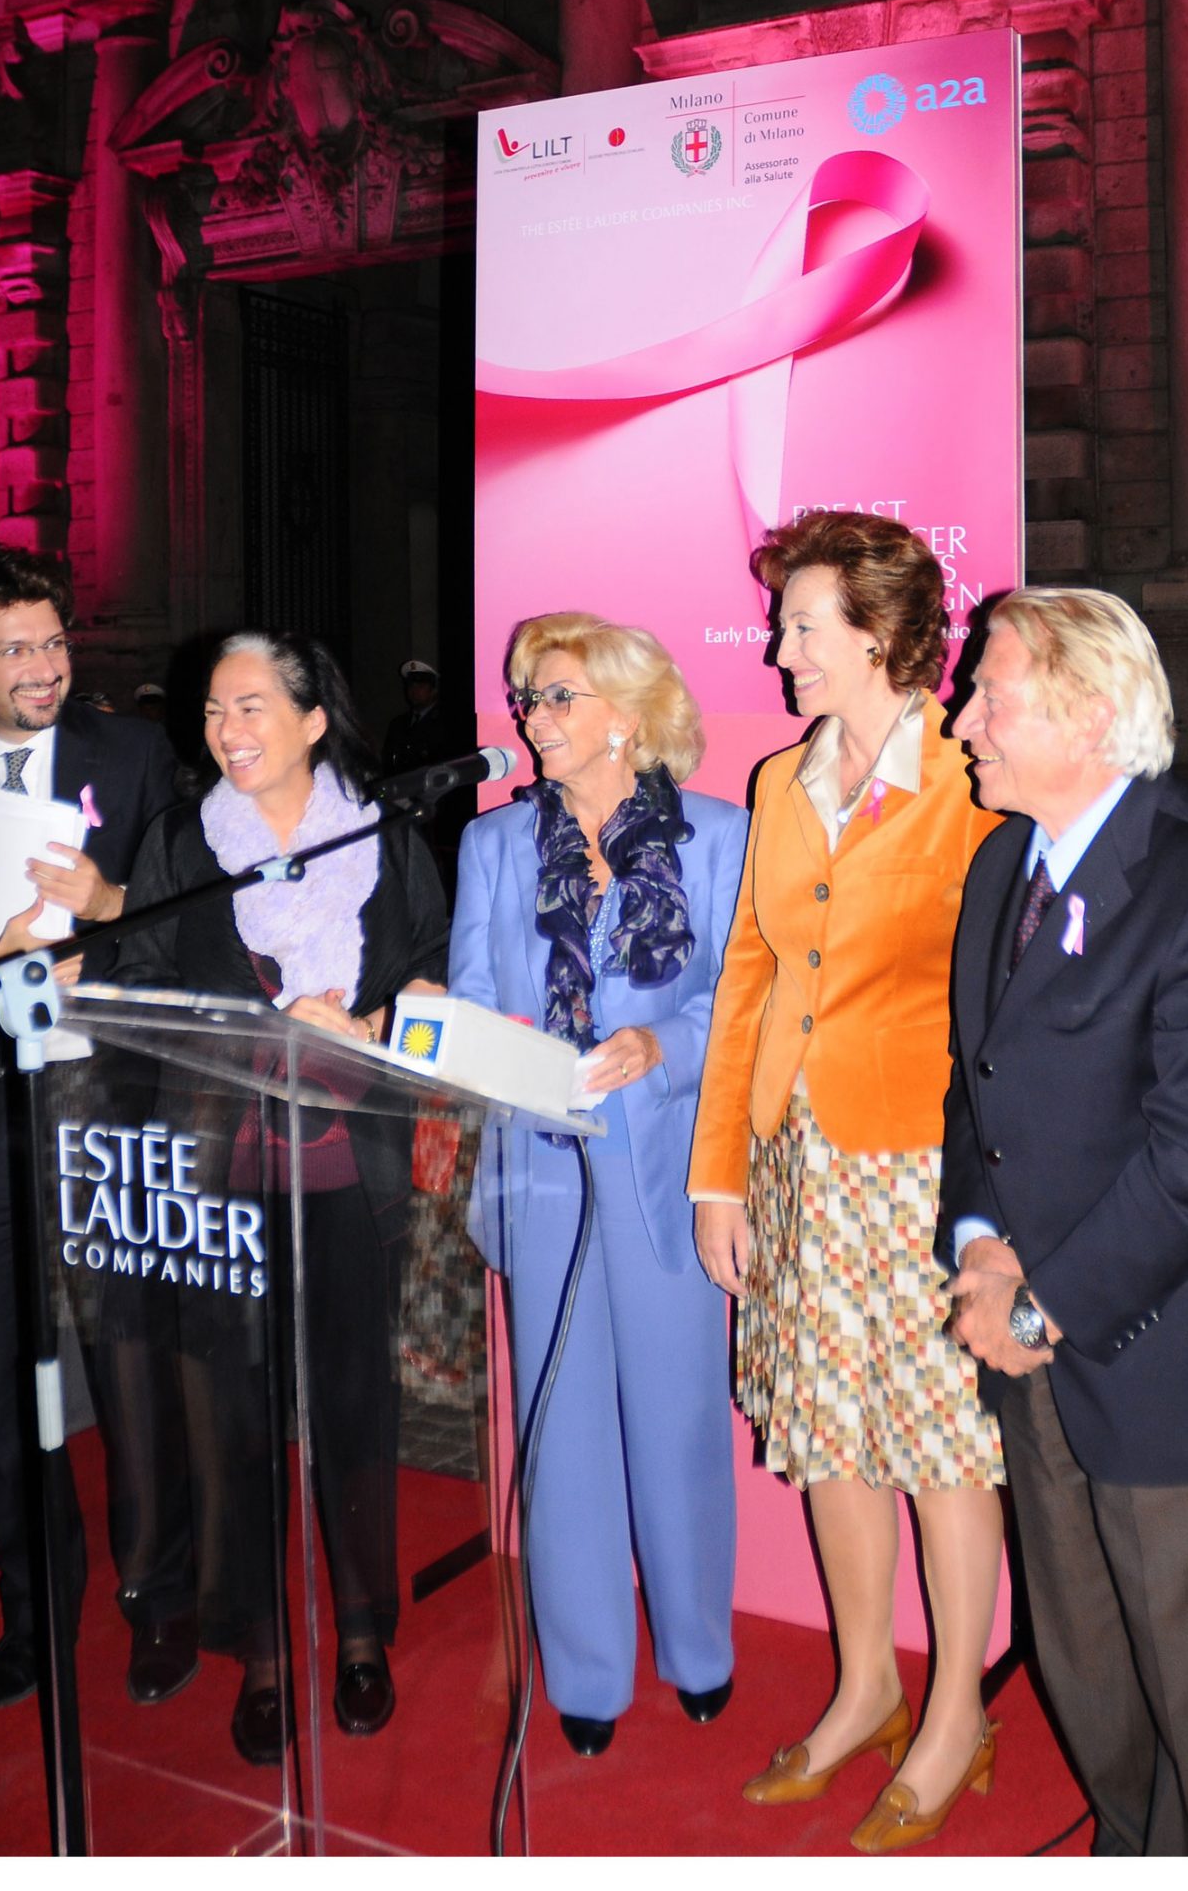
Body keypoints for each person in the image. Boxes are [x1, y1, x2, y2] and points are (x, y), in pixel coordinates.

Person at [939, 587, 1188, 1857]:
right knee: (1082, 1656)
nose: (961, 721)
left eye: (990, 695)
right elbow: (976, 1086)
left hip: (1165, 1350)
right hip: (1030, 1339)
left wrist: (1036, 1308)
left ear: (1091, 717)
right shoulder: (1001, 863)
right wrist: (978, 1241)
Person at [689, 512, 1003, 1855]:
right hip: (796, 1160)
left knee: (939, 1443)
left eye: (803, 626)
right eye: (783, 626)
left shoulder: (971, 775)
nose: (780, 651)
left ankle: (955, 1712)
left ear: (877, 633)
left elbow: (1007, 991)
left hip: (923, 1161)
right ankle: (867, 1682)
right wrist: (719, 1175)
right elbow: (748, 979)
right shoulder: (780, 781)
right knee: (825, 1426)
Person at [112, 631, 449, 1764]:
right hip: (222, 1168)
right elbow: (141, 987)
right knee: (234, 1417)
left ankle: (360, 1631)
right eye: (215, 710)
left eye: (251, 706)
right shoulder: (181, 842)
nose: (227, 730)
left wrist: (376, 1020)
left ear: (312, 720)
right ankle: (258, 1647)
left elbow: (431, 961)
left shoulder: (383, 831)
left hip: (349, 1165)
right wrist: (250, 1028)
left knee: (353, 1403)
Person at [450, 613, 745, 1757]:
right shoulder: (492, 842)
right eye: (527, 696)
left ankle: (698, 1648)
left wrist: (662, 1042)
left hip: (663, 1162)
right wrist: (479, 1037)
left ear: (626, 714)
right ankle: (583, 1672)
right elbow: (472, 994)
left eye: (557, 695)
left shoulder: (718, 836)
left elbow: (745, 999)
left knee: (678, 1416)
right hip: (539, 1157)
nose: (532, 717)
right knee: (560, 1422)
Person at [0, 545, 179, 1711]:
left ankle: (159, 1596)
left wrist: (103, 921)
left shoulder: (135, 753)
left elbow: (183, 917)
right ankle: (36, 1611)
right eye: (13, 648)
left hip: (107, 1098)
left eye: (54, 640)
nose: (43, 666)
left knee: (136, 1360)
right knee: (3, 1375)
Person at [381, 657, 439, 776]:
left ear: (433, 690)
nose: (414, 691)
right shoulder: (398, 724)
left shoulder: (443, 723)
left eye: (420, 686)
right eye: (411, 686)